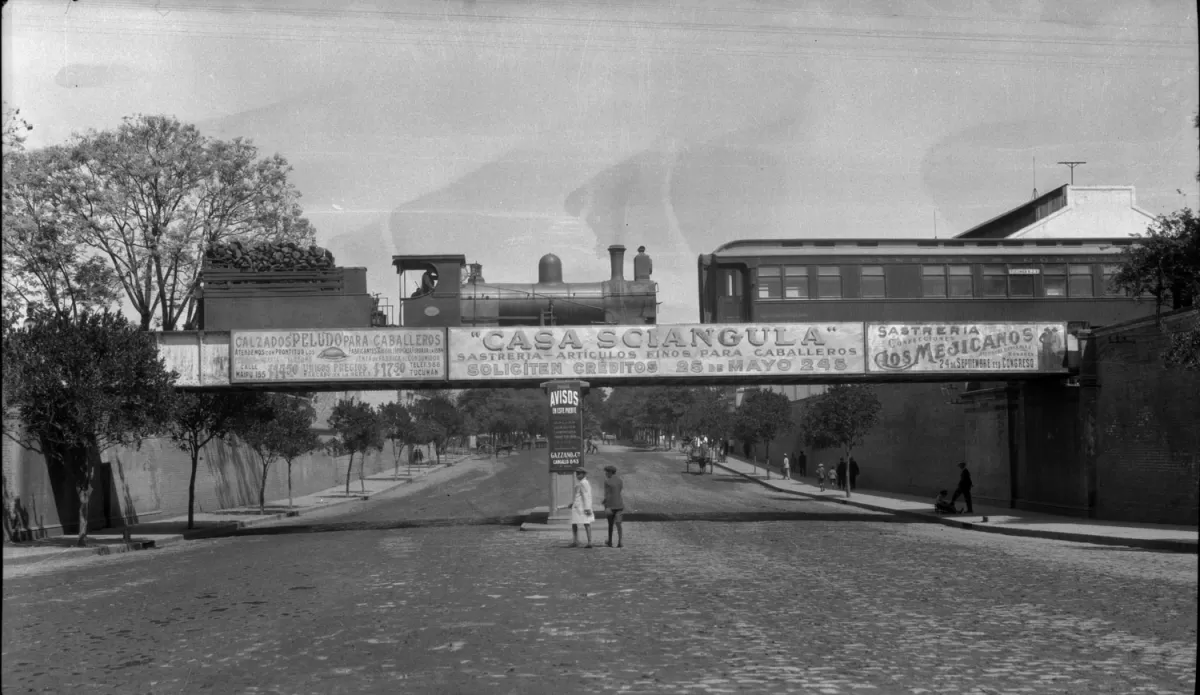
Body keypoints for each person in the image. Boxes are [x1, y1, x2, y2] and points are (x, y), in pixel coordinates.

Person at [558, 468, 595, 548]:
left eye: (579, 473)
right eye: (576, 473)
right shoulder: (582, 482)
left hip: (581, 507)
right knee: (575, 523)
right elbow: (579, 496)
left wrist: (587, 508)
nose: (577, 475)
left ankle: (588, 542)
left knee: (586, 523)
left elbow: (586, 496)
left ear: (583, 474)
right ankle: (576, 541)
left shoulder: (583, 483)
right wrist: (573, 503)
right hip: (578, 506)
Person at [602, 465, 625, 548]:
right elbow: (619, 490)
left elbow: (607, 494)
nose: (605, 474)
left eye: (606, 472)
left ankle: (610, 541)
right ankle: (620, 541)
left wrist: (606, 505)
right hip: (619, 505)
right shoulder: (620, 480)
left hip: (610, 506)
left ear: (610, 472)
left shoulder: (607, 481)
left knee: (610, 524)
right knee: (619, 524)